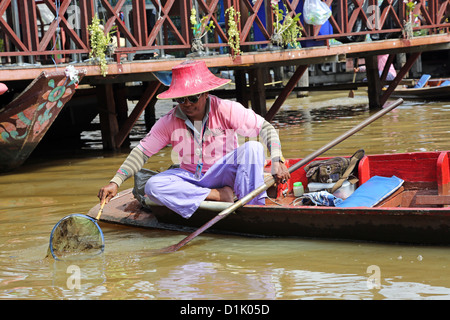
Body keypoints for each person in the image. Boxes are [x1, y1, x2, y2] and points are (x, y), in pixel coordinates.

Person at [98, 60, 290, 219]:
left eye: (193, 98)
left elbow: (265, 127)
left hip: (223, 171)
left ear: (205, 94)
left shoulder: (224, 108)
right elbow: (142, 152)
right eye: (181, 100)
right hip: (192, 179)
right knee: (152, 185)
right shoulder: (170, 121)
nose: (187, 104)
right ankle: (217, 196)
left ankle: (252, 208)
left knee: (254, 148)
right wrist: (115, 181)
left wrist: (277, 158)